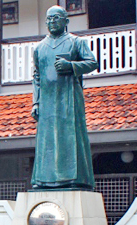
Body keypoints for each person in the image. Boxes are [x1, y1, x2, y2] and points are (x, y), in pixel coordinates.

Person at [31, 6, 98, 191]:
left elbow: (92, 63)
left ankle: (73, 178)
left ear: (66, 21)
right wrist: (36, 102)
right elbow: (36, 77)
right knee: (46, 140)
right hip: (47, 100)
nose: (52, 22)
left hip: (69, 97)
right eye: (49, 19)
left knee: (70, 136)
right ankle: (44, 179)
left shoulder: (76, 42)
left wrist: (70, 66)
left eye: (56, 18)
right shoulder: (39, 48)